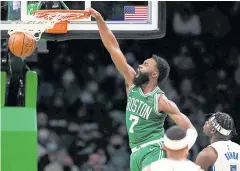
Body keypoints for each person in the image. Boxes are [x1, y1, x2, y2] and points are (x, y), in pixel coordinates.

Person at [86, 8, 198, 171]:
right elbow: (113, 47)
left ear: (154, 74)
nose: (139, 65)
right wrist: (99, 20)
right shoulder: (131, 81)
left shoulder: (161, 100)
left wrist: (177, 149)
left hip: (153, 149)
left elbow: (190, 129)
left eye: (145, 64)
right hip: (135, 153)